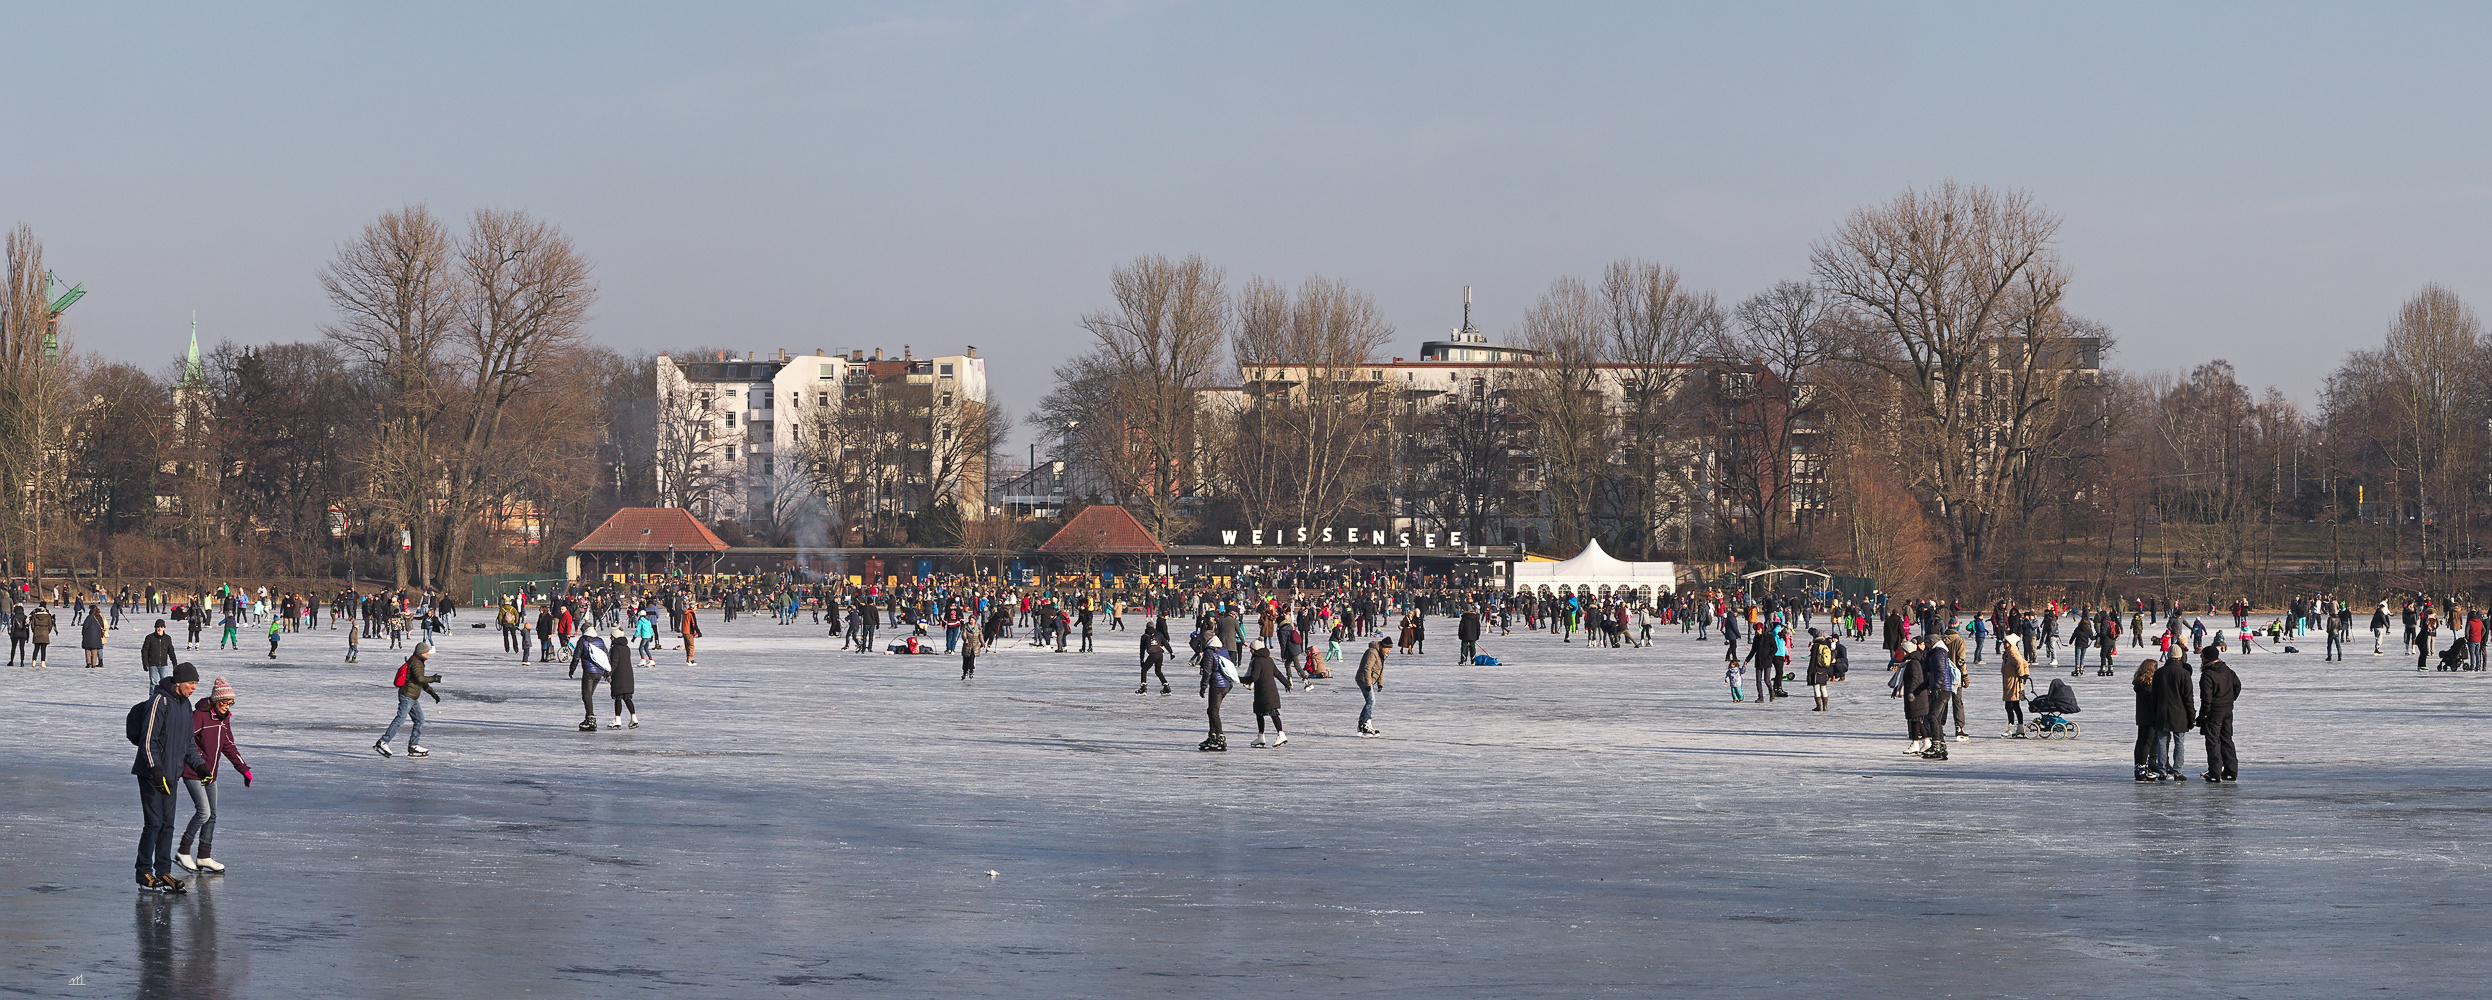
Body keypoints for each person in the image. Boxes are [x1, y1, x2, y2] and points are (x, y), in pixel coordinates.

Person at [133, 662, 209, 893]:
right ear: (178, 683)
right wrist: (155, 770)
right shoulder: (160, 701)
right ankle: (143, 871)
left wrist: (201, 768)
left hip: (171, 775)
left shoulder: (185, 706)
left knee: (168, 825)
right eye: (191, 683)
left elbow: (188, 745)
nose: (194, 688)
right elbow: (148, 740)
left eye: (196, 684)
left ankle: (163, 872)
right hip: (151, 774)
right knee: (154, 824)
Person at [177, 677, 252, 875]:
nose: (227, 707)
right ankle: (183, 851)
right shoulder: (199, 717)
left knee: (212, 815)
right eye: (223, 703)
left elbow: (228, 745)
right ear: (214, 701)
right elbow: (183, 741)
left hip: (211, 773)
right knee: (204, 812)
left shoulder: (224, 719)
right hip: (193, 771)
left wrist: (243, 768)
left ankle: (204, 856)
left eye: (230, 703)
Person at [374, 642, 440, 758]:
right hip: (407, 696)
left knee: (419, 720)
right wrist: (433, 679)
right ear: (421, 653)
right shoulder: (416, 662)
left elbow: (419, 681)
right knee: (400, 719)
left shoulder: (418, 661)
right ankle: (383, 742)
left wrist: (431, 692)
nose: (427, 654)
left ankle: (413, 746)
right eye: (426, 652)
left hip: (412, 697)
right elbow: (420, 678)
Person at [2150, 651, 2196, 781]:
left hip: (2162, 712)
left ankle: (2162, 770)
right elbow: (2188, 698)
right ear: (2179, 657)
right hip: (2180, 714)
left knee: (2162, 742)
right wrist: (2191, 717)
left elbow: (2154, 697)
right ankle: (2177, 771)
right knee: (2179, 742)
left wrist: (2154, 714)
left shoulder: (2159, 673)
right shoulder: (2184, 674)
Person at [2197, 646, 2240, 782]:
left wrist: (2204, 713)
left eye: (2202, 656)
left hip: (2214, 711)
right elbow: (2237, 686)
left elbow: (2206, 697)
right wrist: (2230, 699)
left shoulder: (2208, 674)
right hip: (2227, 709)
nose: (2201, 659)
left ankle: (2215, 772)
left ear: (2207, 658)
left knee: (2213, 741)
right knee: (2226, 738)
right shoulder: (2228, 671)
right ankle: (2231, 770)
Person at [1245, 640, 1292, 747]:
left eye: (1251, 649)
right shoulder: (1268, 660)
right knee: (1260, 713)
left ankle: (1281, 734)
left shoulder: (1257, 661)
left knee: (1272, 713)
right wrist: (1286, 683)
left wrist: (1241, 679)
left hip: (1263, 692)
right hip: (1270, 691)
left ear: (1255, 650)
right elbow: (1277, 673)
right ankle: (1261, 736)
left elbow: (1254, 677)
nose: (1250, 651)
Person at [568, 629, 610, 732]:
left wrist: (572, 669)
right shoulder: (600, 641)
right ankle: (589, 717)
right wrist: (607, 671)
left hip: (589, 672)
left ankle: (590, 719)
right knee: (589, 695)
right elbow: (606, 655)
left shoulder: (583, 640)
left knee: (586, 695)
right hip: (599, 672)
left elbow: (576, 656)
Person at [1197, 641, 1234, 752]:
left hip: (1217, 685)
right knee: (1211, 711)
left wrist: (1203, 687)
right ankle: (1212, 735)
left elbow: (1207, 672)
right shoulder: (1224, 650)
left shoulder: (1209, 652)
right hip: (1225, 685)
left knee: (1213, 711)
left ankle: (1219, 736)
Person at [1355, 637, 1389, 737]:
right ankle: (1366, 724)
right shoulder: (1372, 652)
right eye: (1388, 648)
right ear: (1383, 646)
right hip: (1363, 679)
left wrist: (1380, 683)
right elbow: (1367, 668)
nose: (1389, 650)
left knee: (1369, 701)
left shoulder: (1382, 654)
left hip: (1370, 680)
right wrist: (1368, 684)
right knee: (1371, 701)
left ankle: (1362, 724)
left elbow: (1381, 669)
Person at [2000, 632, 2031, 737]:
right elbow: (2025, 663)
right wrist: (2025, 674)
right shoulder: (2011, 651)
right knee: (2015, 706)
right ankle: (2020, 727)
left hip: (2013, 684)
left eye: (2005, 642)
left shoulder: (2012, 653)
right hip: (2013, 683)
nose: (2003, 644)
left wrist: (2021, 675)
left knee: (2009, 706)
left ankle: (2012, 728)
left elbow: (2019, 662)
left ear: (2010, 643)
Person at [606, 625, 638, 728]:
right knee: (627, 698)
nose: (610, 638)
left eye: (611, 636)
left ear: (614, 637)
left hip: (619, 676)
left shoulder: (615, 648)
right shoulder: (626, 648)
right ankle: (634, 718)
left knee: (618, 698)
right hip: (628, 676)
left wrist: (609, 673)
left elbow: (614, 663)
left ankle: (618, 720)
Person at [141, 620, 177, 691]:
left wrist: (174, 662)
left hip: (163, 664)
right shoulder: (149, 638)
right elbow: (144, 651)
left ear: (164, 628)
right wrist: (145, 663)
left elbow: (171, 651)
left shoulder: (167, 638)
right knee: (154, 683)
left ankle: (164, 698)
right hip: (152, 664)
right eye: (157, 627)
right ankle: (152, 699)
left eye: (161, 627)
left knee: (165, 683)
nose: (159, 628)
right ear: (155, 627)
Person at [81, 602, 108, 668]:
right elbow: (102, 626)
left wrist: (83, 634)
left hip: (88, 636)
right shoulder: (100, 617)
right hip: (97, 637)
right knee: (94, 650)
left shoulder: (89, 617)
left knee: (87, 650)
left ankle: (88, 663)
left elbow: (85, 626)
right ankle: (93, 664)